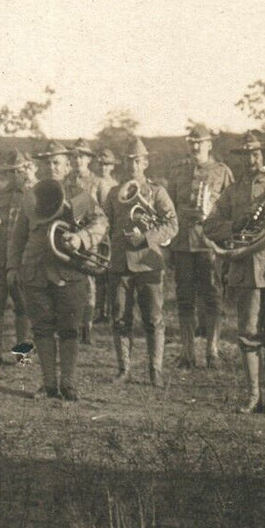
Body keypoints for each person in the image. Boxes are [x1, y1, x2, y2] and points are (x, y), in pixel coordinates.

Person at [205, 131, 265, 413]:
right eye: (246, 155)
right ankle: (252, 396)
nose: (252, 160)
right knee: (248, 335)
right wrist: (235, 226)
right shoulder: (232, 191)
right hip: (246, 269)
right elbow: (210, 226)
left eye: (256, 154)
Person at [8, 140, 107, 401]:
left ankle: (68, 383)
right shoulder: (32, 196)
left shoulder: (81, 195)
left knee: (69, 329)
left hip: (69, 273)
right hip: (36, 273)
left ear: (67, 166)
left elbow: (101, 222)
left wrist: (81, 238)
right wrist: (12, 267)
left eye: (57, 162)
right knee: (41, 330)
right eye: (48, 163)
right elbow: (18, 237)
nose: (52, 167)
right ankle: (49, 384)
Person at [105, 138, 178, 386]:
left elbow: (172, 225)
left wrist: (146, 238)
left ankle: (155, 370)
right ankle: (124, 369)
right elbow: (106, 224)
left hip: (148, 262)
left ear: (145, 163)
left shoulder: (157, 192)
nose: (133, 165)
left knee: (153, 318)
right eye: (129, 161)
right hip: (120, 263)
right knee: (120, 318)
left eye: (138, 161)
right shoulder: (113, 193)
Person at [166, 123, 234, 369]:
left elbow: (231, 208)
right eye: (191, 143)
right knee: (184, 297)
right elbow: (169, 209)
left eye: (200, 143)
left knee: (212, 296)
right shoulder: (178, 171)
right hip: (183, 243)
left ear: (209, 145)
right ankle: (187, 352)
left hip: (210, 244)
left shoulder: (222, 172)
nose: (195, 147)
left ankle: (212, 351)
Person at [0, 150, 35, 367]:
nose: (14, 176)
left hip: (22, 260)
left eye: (19, 171)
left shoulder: (33, 196)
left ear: (27, 170)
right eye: (10, 172)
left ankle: (22, 354)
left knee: (23, 305)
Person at [66, 138, 107, 343]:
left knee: (89, 284)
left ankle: (87, 327)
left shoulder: (98, 183)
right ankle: (71, 324)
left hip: (91, 240)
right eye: (74, 156)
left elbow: (106, 215)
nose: (77, 160)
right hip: (67, 237)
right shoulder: (66, 182)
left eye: (81, 156)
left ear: (89, 159)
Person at [94, 146, 120, 327]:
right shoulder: (96, 183)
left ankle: (112, 311)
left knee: (112, 273)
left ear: (112, 166)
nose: (103, 167)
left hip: (112, 230)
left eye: (107, 164)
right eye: (101, 164)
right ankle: (99, 311)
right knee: (99, 271)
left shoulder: (116, 185)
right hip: (99, 230)